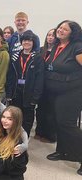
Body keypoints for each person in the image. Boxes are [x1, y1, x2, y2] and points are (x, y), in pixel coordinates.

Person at [44, 20, 82, 175]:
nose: (60, 30)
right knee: (58, 123)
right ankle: (63, 151)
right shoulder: (56, 46)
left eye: (64, 29)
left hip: (72, 92)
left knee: (67, 124)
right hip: (56, 91)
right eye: (59, 28)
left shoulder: (77, 47)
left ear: (72, 33)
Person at [6, 31, 44, 137]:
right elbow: (10, 76)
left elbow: (39, 80)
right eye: (24, 40)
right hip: (15, 92)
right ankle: (13, 137)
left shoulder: (37, 59)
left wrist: (35, 97)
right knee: (15, 116)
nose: (27, 42)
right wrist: (8, 93)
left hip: (29, 93)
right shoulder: (15, 57)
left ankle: (25, 138)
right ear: (21, 42)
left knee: (27, 119)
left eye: (29, 40)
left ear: (33, 43)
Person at [35, 28, 57, 143]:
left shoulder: (58, 51)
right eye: (48, 35)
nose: (50, 37)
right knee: (40, 110)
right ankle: (40, 132)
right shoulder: (41, 50)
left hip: (52, 84)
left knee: (50, 111)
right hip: (41, 83)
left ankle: (50, 135)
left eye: (53, 35)